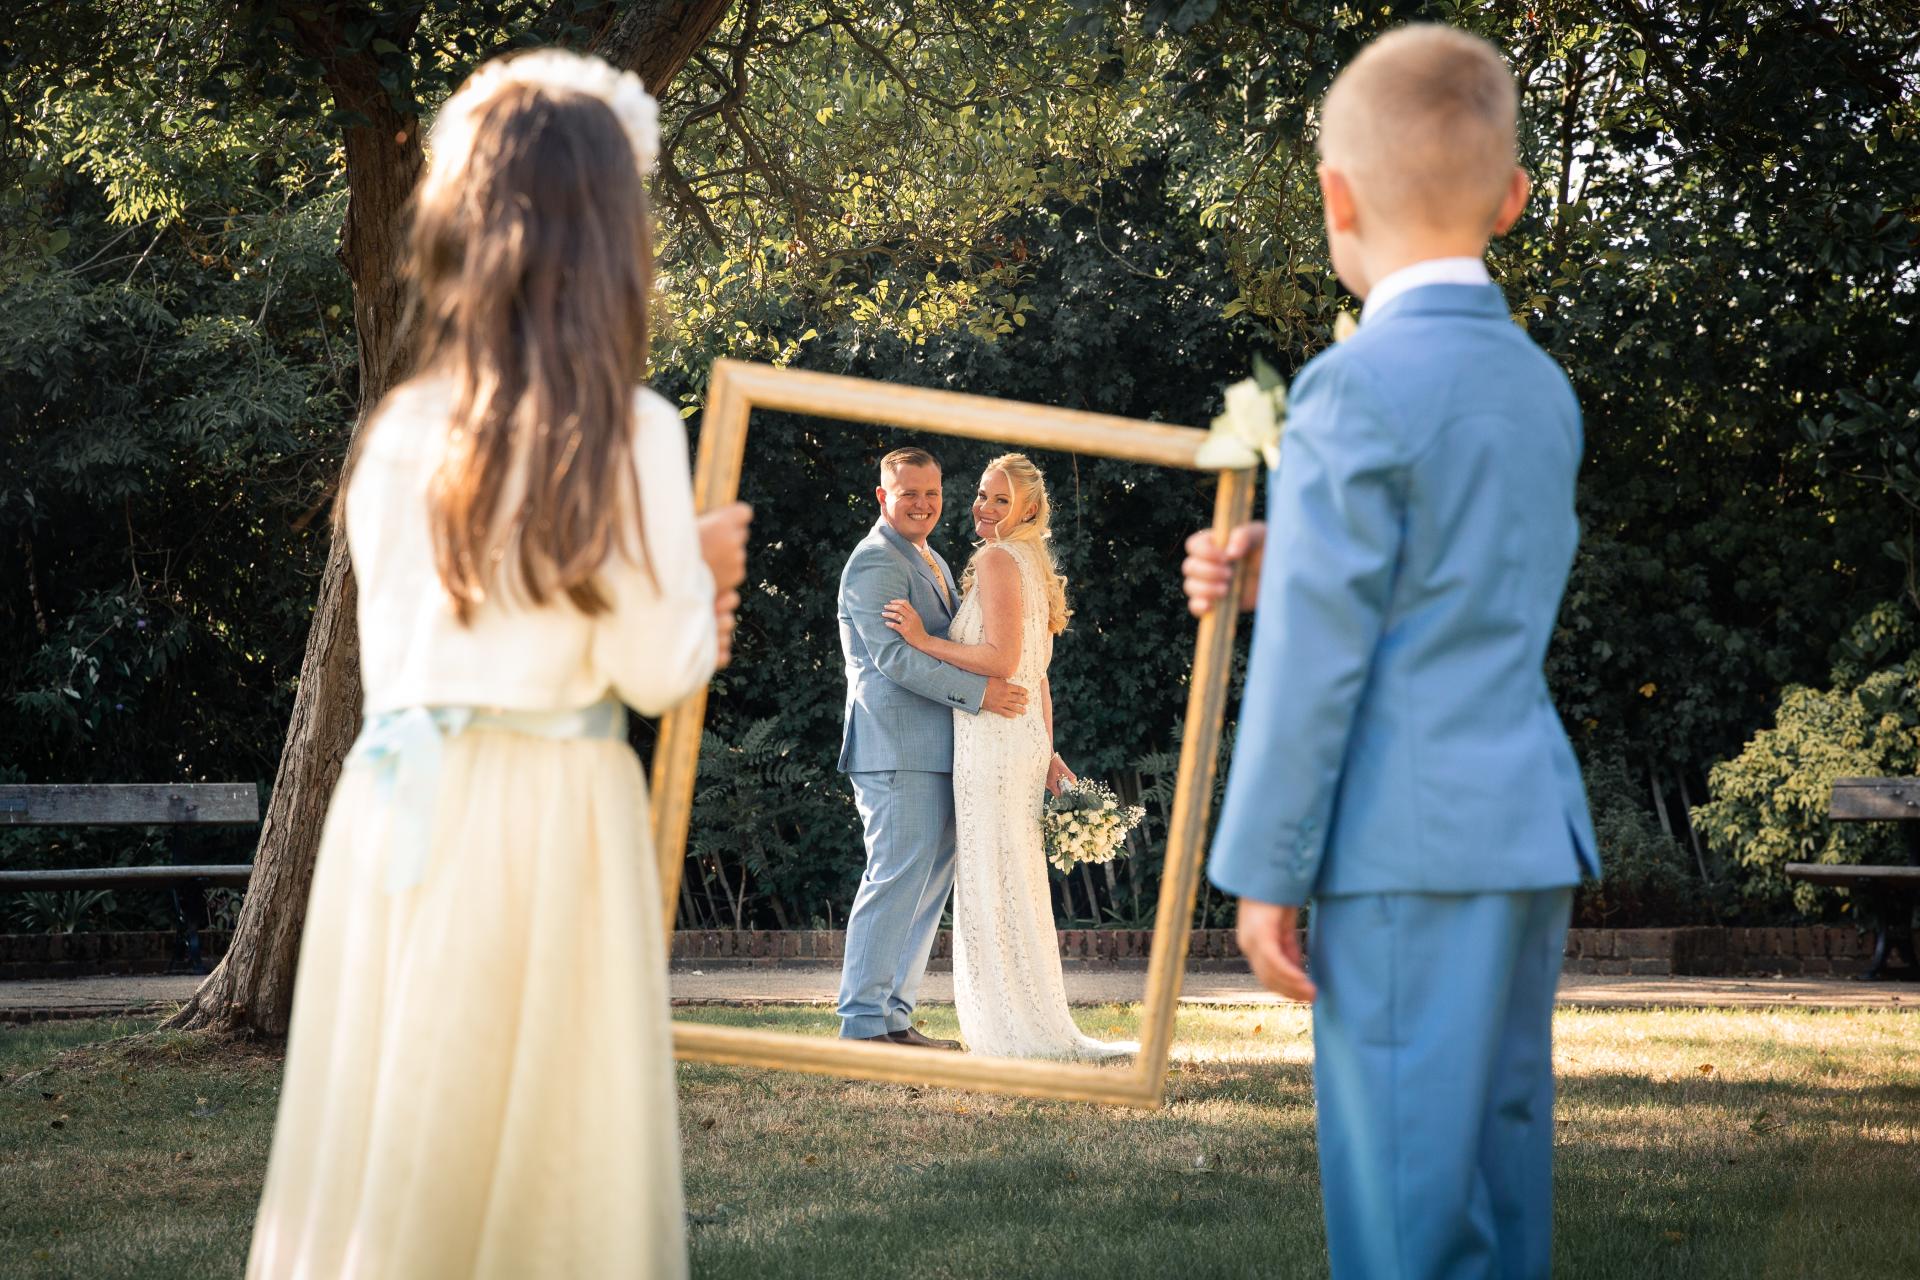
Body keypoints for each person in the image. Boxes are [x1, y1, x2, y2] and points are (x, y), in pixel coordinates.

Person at [245, 49, 750, 1279]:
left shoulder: (403, 428)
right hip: (543, 815)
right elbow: (657, 663)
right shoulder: (628, 430)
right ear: (609, 238)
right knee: (546, 1163)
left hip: (396, 810)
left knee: (397, 1123)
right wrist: (702, 578)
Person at [1181, 25, 1599, 1279]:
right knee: (1494, 1174)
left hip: (1404, 845)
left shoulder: (1350, 388)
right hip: (1524, 830)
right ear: (1515, 199)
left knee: (1408, 1209)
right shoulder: (1540, 387)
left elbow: (1321, 660)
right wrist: (1287, 550)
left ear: (1335, 194)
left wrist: (1263, 869)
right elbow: (1460, 585)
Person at [884, 454, 1133, 1061]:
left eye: (1000, 500)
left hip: (993, 741)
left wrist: (922, 639)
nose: (983, 507)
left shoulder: (999, 559)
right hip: (1018, 739)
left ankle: (1013, 1030)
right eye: (982, 495)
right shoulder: (1032, 563)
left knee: (995, 878)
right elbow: (1039, 678)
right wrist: (1048, 752)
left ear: (1026, 509)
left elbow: (1002, 660)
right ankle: (1028, 1021)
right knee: (1012, 877)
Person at [834, 446, 1028, 1048]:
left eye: (932, 493)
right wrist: (979, 693)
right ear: (882, 497)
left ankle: (894, 1017)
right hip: (896, 751)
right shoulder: (874, 563)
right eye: (909, 493)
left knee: (927, 887)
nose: (922, 504)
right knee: (894, 880)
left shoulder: (935, 559)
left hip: (943, 751)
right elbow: (892, 658)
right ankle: (862, 1024)